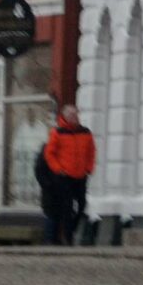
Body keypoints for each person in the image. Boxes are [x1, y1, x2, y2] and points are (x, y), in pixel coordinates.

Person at [37, 105, 96, 246]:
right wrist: (58, 169)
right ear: (65, 116)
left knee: (82, 205)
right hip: (65, 177)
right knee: (67, 207)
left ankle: (70, 230)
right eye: (71, 115)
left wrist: (89, 168)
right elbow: (49, 154)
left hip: (81, 175)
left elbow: (91, 151)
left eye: (76, 114)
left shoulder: (86, 132)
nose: (74, 117)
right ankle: (68, 238)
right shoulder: (57, 132)